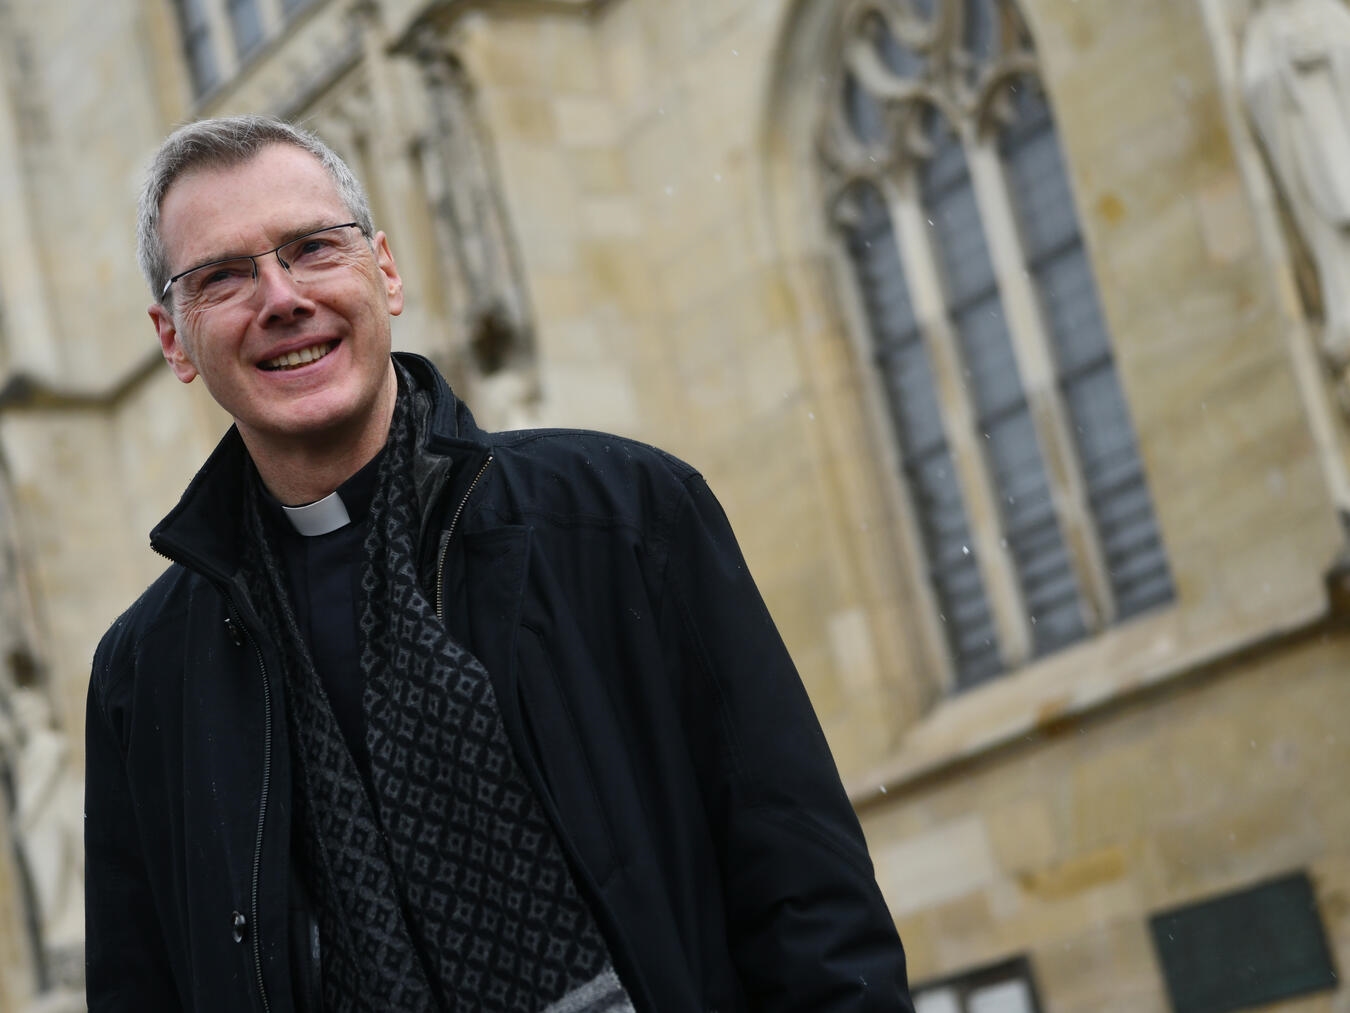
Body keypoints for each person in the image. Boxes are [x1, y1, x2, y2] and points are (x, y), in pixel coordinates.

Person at [84, 114, 913, 1012]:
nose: (281, 297)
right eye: (224, 276)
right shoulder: (145, 674)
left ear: (385, 271)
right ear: (174, 340)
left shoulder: (623, 515)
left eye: (313, 248)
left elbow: (804, 891)